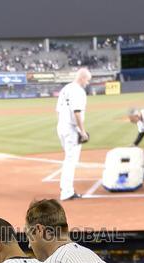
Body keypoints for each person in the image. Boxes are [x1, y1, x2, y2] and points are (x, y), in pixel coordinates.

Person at [56, 68, 92, 200]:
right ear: (82, 78)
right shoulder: (78, 91)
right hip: (71, 129)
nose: (87, 83)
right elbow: (77, 112)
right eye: (87, 80)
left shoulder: (66, 88)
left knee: (68, 158)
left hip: (61, 126)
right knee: (71, 160)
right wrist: (82, 131)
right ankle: (67, 191)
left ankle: (63, 186)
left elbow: (58, 111)